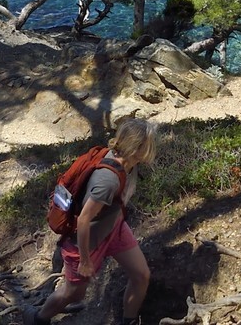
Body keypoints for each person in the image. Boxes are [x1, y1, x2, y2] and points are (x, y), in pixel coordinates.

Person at [30, 117, 157, 325]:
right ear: (136, 147)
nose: (153, 149)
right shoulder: (108, 180)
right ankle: (37, 318)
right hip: (85, 243)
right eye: (149, 145)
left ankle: (129, 321)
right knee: (73, 293)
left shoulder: (129, 163)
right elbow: (84, 220)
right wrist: (85, 261)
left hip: (113, 228)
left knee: (141, 275)